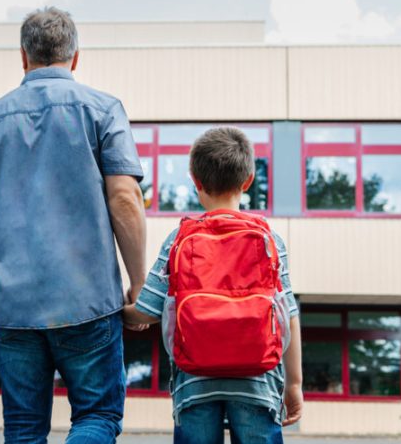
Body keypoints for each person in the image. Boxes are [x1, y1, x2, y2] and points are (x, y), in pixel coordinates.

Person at [0, 7, 148, 443]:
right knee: (97, 418)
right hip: (89, 300)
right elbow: (124, 197)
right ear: (75, 58)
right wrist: (139, 282)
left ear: (23, 57)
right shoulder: (103, 110)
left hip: (13, 309)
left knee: (23, 428)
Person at [122, 127, 303, 444]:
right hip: (258, 382)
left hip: (195, 384)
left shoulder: (179, 239)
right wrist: (294, 385)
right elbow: (288, 313)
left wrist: (119, 312)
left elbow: (147, 312)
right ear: (247, 181)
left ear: (195, 182)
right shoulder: (270, 240)